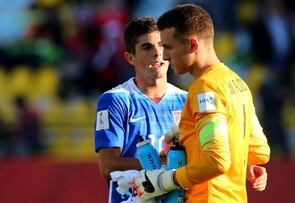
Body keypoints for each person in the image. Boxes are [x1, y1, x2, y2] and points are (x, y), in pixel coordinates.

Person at [95, 16, 268, 203]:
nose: (158, 53)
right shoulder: (115, 100)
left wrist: (243, 166)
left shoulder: (186, 99)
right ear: (130, 58)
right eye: (147, 47)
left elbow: (210, 153)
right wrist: (163, 166)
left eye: (163, 46)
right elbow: (108, 166)